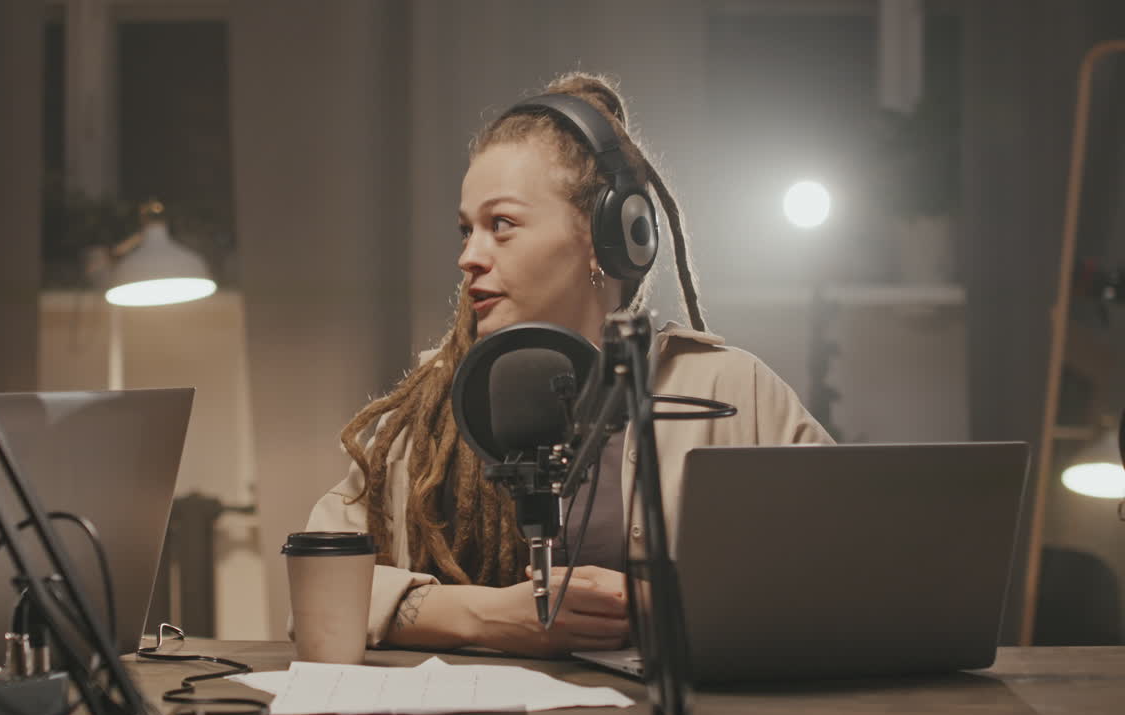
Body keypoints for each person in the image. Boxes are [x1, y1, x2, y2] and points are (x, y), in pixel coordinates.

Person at [303, 72, 833, 658]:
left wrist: (662, 607)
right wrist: (483, 616)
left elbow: (852, 576)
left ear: (606, 237)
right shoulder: (428, 415)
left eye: (500, 225)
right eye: (465, 230)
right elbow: (316, 596)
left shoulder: (733, 391)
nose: (468, 257)